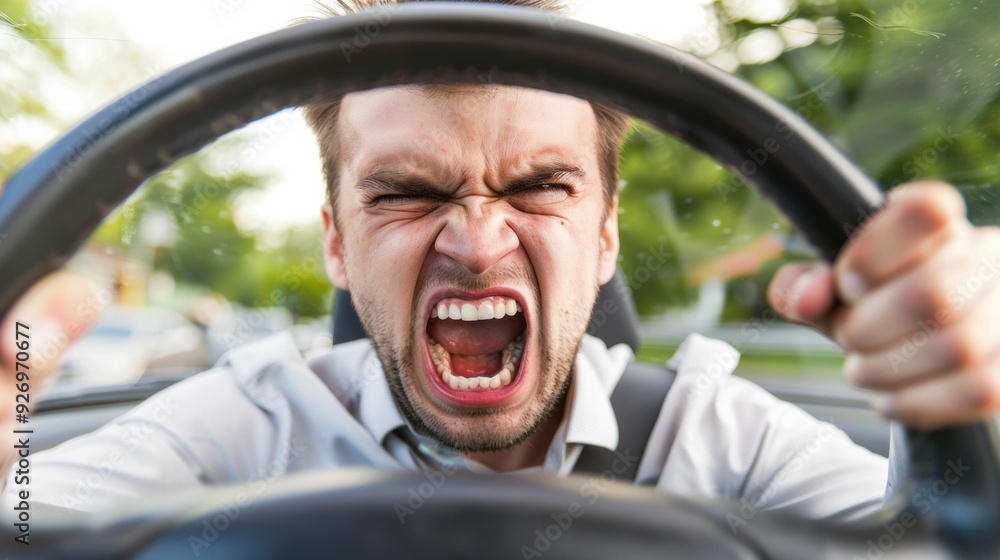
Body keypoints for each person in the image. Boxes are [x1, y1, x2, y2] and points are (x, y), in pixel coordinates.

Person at [3, 0, 1000, 526]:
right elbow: (36, 517)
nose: (477, 245)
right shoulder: (239, 425)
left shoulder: (721, 436)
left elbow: (942, 525)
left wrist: (981, 395)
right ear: (337, 244)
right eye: (404, 193)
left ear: (604, 235)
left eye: (537, 186)